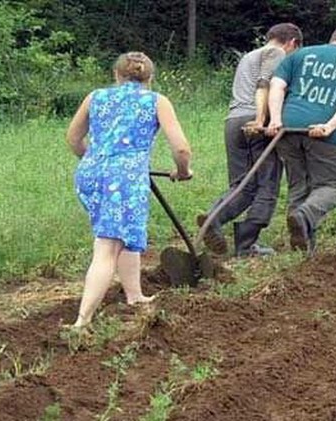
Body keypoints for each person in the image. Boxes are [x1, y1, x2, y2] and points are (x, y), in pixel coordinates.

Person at [66, 52, 193, 329]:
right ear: (150, 78)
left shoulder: (95, 97)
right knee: (108, 246)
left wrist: (97, 161)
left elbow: (73, 138)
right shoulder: (156, 101)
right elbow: (181, 149)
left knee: (123, 233)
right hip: (123, 180)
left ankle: (134, 296)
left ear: (116, 75)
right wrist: (183, 172)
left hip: (89, 174)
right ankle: (81, 321)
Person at [267, 25, 336, 257]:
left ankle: (303, 248)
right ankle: (304, 218)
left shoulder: (299, 55)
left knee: (299, 185)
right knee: (333, 186)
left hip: (287, 129)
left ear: (332, 39)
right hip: (324, 133)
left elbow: (276, 85)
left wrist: (275, 120)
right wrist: (330, 125)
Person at [197, 23, 302, 257]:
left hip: (232, 120)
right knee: (268, 184)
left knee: (243, 185)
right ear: (292, 43)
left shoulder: (249, 56)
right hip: (254, 121)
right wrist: (261, 119)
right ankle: (246, 244)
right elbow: (264, 85)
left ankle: (213, 218)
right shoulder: (276, 53)